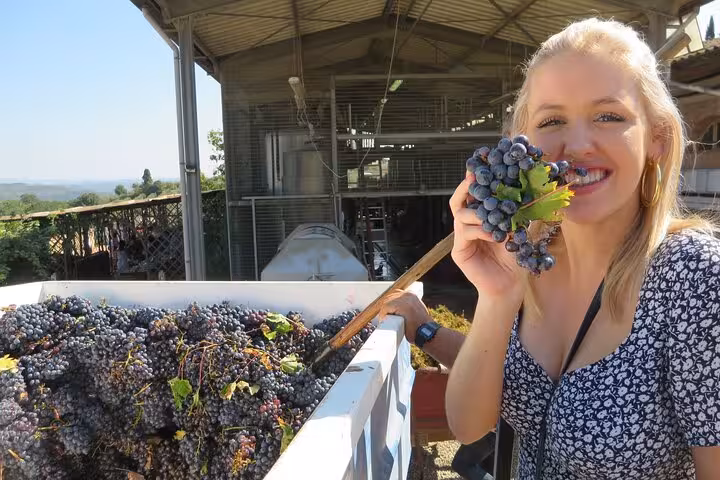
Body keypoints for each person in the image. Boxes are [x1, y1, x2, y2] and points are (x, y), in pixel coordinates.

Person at [381, 18, 720, 480]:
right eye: (552, 120)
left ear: (657, 138)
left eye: (609, 116)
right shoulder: (529, 255)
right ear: (523, 142)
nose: (576, 146)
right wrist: (494, 300)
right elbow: (470, 423)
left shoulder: (694, 278)